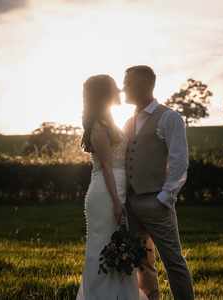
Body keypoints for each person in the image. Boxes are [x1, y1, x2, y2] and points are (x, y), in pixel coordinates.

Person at [123, 65, 195, 300]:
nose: (124, 88)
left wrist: (165, 197)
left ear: (144, 84)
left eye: (129, 83)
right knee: (142, 262)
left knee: (174, 262)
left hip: (156, 202)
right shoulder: (129, 121)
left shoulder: (169, 117)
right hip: (132, 205)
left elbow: (179, 161)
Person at [76, 74, 148, 300]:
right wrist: (117, 202)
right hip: (106, 193)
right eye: (115, 88)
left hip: (117, 189)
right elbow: (107, 167)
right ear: (105, 94)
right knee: (103, 247)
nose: (119, 91)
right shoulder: (98, 126)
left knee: (118, 244)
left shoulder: (110, 121)